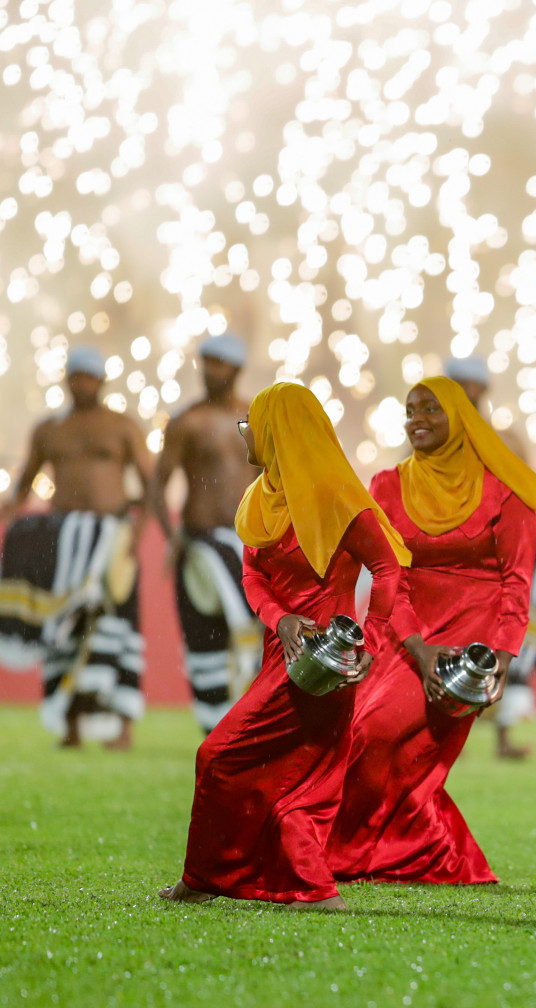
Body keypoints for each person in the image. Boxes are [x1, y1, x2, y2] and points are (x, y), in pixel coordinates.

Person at [160, 382, 412, 909]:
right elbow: (254, 577)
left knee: (219, 755)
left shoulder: (332, 492)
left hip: (325, 656)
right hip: (284, 650)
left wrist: (370, 639)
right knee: (296, 772)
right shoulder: (263, 496)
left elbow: (387, 565)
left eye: (251, 423)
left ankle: (214, 878)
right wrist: (281, 620)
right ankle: (299, 888)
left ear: (277, 430)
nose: (244, 433)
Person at [328, 377, 536, 884]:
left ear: (460, 415)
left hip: (469, 639)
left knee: (387, 738)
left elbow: (517, 585)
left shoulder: (506, 489)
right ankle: (430, 855)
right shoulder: (386, 484)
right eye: (410, 410)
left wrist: (500, 664)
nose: (418, 420)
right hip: (404, 630)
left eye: (431, 408)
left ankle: (350, 856)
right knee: (362, 738)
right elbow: (391, 575)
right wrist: (417, 648)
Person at [0, 345, 154, 748]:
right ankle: (69, 725)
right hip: (64, 543)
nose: (80, 383)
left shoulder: (122, 426)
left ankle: (122, 726)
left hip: (113, 538)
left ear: (101, 380)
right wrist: (7, 511)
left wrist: (136, 538)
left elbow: (150, 483)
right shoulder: (49, 428)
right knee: (64, 628)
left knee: (118, 628)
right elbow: (23, 487)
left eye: (87, 376)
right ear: (66, 379)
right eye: (74, 376)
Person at [146, 334, 263, 733]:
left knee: (260, 637)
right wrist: (172, 536)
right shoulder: (186, 421)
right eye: (206, 362)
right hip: (199, 543)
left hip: (249, 544)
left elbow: (275, 478)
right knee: (205, 640)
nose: (211, 371)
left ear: (237, 369)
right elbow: (157, 485)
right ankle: (214, 732)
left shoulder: (256, 417)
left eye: (219, 363)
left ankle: (257, 729)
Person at [445, 355, 536, 761]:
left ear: (480, 389)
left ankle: (503, 738)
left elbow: (527, 495)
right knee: (448, 641)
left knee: (501, 641)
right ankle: (448, 731)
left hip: (495, 555)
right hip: (448, 557)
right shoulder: (431, 437)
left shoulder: (506, 439)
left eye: (462, 385)